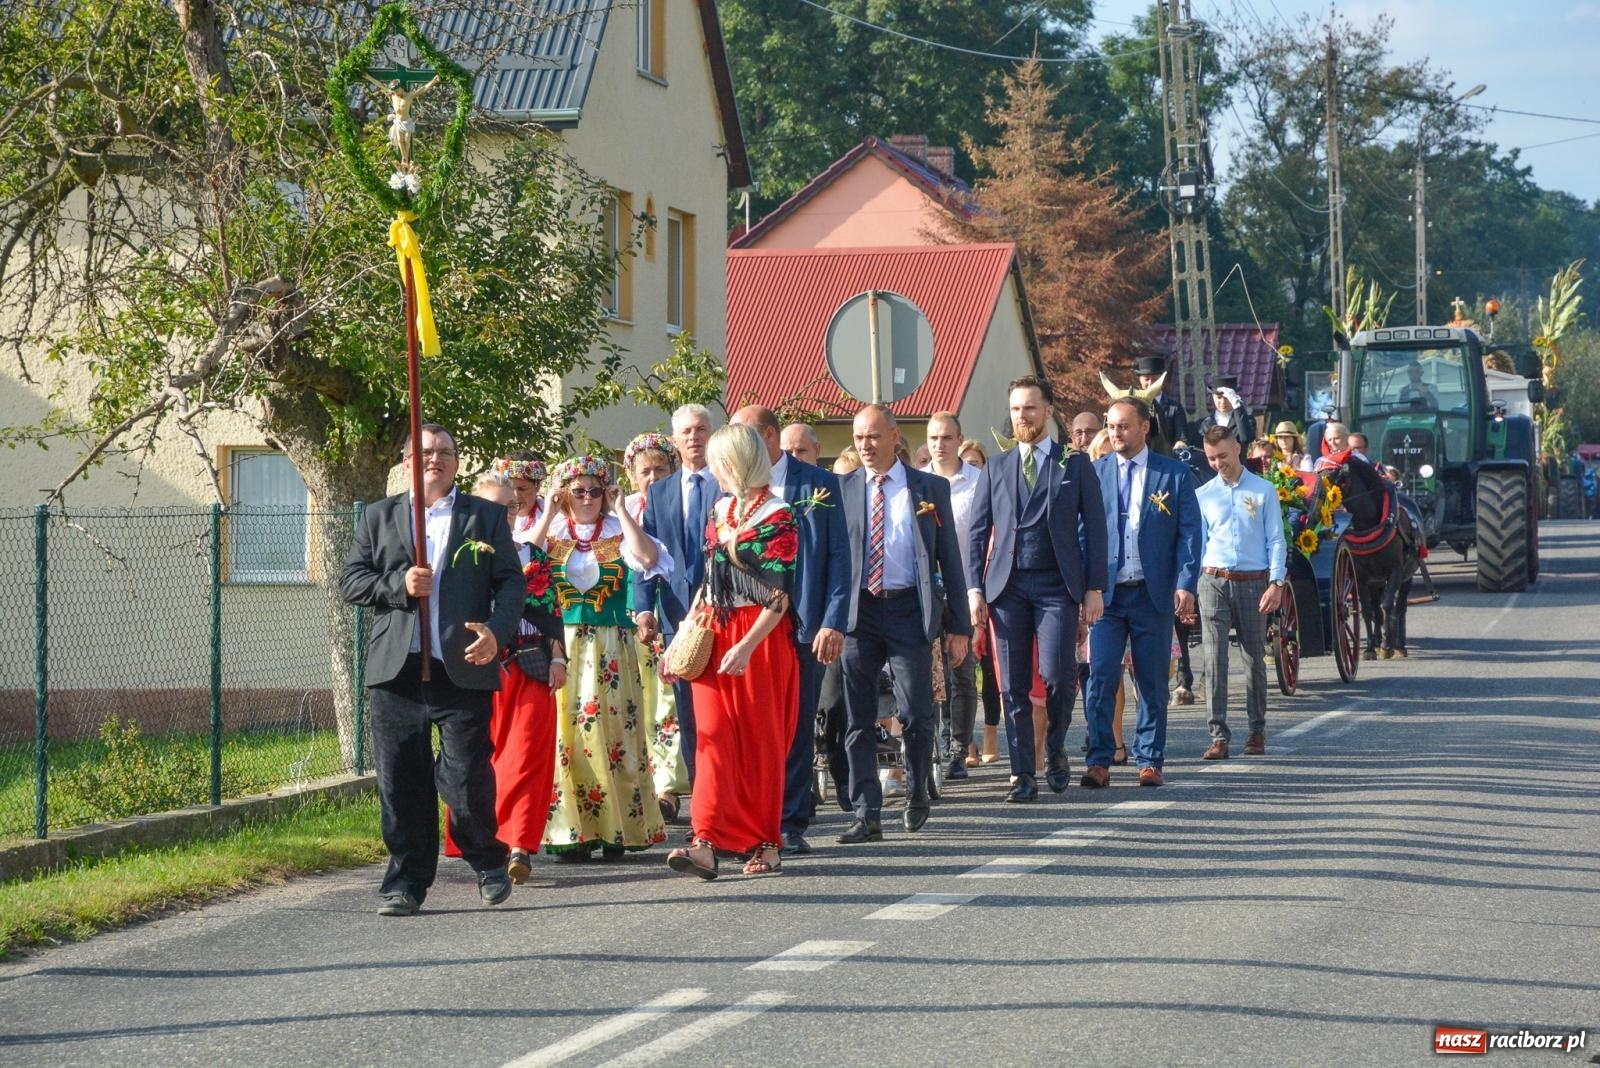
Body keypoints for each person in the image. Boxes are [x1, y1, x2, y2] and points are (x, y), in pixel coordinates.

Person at [339, 424, 524, 917]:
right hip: (395, 672)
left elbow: (511, 584)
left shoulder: (483, 517)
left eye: (444, 452)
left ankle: (487, 860)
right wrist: (400, 585)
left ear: (457, 462)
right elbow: (352, 582)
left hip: (460, 666)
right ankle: (406, 882)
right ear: (405, 461)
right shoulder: (378, 516)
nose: (434, 460)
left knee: (465, 779)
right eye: (423, 453)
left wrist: (495, 631)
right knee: (402, 782)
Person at [664, 424, 802, 880]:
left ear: (736, 463)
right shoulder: (720, 509)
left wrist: (746, 645)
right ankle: (704, 841)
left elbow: (779, 599)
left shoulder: (779, 515)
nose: (712, 467)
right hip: (717, 629)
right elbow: (708, 582)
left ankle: (765, 841)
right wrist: (683, 634)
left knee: (760, 744)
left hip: (760, 639)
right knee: (713, 740)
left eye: (719, 460)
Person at [967, 376, 1107, 802]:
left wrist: (1094, 588)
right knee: (1011, 686)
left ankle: (1057, 747)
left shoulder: (1074, 464)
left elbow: (1097, 530)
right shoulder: (996, 466)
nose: (1022, 416)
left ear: (1048, 410)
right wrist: (974, 589)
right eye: (1015, 409)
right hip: (1006, 589)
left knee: (1059, 678)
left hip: (1055, 587)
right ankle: (1022, 773)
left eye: (1030, 408)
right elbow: (976, 532)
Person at [836, 404, 971, 842]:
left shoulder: (927, 488)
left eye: (874, 437)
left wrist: (959, 627)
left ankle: (916, 791)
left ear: (895, 437)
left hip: (909, 609)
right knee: (857, 719)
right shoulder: (844, 488)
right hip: (860, 613)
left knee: (915, 712)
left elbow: (949, 557)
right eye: (859, 438)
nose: (866, 446)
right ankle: (866, 811)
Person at [730, 405, 850, 857]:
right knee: (750, 725)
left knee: (795, 723)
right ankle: (748, 819)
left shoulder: (818, 483)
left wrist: (833, 620)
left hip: (802, 623)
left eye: (745, 436)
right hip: (746, 624)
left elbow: (839, 557)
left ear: (770, 436)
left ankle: (790, 820)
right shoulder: (733, 488)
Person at [538, 455, 671, 858]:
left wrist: (622, 509)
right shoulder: (554, 530)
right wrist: (548, 512)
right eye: (578, 491)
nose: (588, 498)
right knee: (567, 737)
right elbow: (527, 559)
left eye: (596, 490)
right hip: (564, 644)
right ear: (565, 494)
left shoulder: (617, 528)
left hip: (612, 644)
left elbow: (648, 560)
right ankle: (571, 832)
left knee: (615, 736)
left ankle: (619, 829)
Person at [1083, 399, 1202, 789]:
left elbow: (1189, 533)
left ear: (1144, 428)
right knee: (1100, 677)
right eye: (1111, 426)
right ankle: (1100, 760)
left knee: (1151, 681)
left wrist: (1185, 583)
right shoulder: (1093, 473)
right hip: (1107, 597)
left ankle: (1149, 760)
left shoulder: (1174, 474)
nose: (1115, 434)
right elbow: (1081, 535)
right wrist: (1086, 588)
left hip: (1153, 594)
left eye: (1123, 426)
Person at [634, 404, 717, 784]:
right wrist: (643, 609)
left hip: (724, 614)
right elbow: (647, 556)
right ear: (675, 439)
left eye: (701, 429)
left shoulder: (727, 481)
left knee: (723, 712)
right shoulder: (662, 491)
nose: (694, 437)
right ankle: (703, 801)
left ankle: (730, 799)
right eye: (686, 431)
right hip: (676, 617)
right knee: (689, 714)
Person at [1196, 427, 1288, 760]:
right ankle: (1218, 735)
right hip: (1213, 581)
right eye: (1211, 458)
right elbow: (1199, 544)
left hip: (1253, 581)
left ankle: (1256, 730)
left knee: (1253, 660)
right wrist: (1190, 588)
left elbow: (1276, 540)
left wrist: (1276, 583)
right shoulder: (1203, 494)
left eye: (1222, 455)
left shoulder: (1263, 490)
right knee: (1213, 659)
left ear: (1237, 448)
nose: (1218, 463)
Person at [623, 432, 689, 826]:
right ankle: (637, 787)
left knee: (666, 706)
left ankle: (667, 787)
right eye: (644, 471)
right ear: (632, 475)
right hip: (619, 624)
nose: (651, 477)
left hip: (668, 616)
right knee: (634, 707)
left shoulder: (673, 506)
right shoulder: (619, 511)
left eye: (659, 469)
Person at [923, 411, 984, 780]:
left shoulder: (977, 482)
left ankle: (958, 747)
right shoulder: (918, 483)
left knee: (962, 670)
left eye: (946, 438)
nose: (939, 445)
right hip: (928, 586)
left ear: (959, 440)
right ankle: (935, 743)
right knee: (931, 671)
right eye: (932, 439)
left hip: (965, 585)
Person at [1134, 350, 1192, 451]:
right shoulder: (1132, 406)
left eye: (1155, 379)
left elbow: (1181, 438)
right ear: (1140, 379)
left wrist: (1180, 444)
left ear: (1162, 379)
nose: (1150, 383)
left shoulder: (1174, 408)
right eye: (1146, 379)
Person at [1193, 374, 1257, 446]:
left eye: (1227, 398)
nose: (1223, 402)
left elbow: (1245, 439)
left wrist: (1237, 406)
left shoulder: (1247, 420)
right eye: (1219, 397)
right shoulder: (1203, 424)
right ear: (1213, 397)